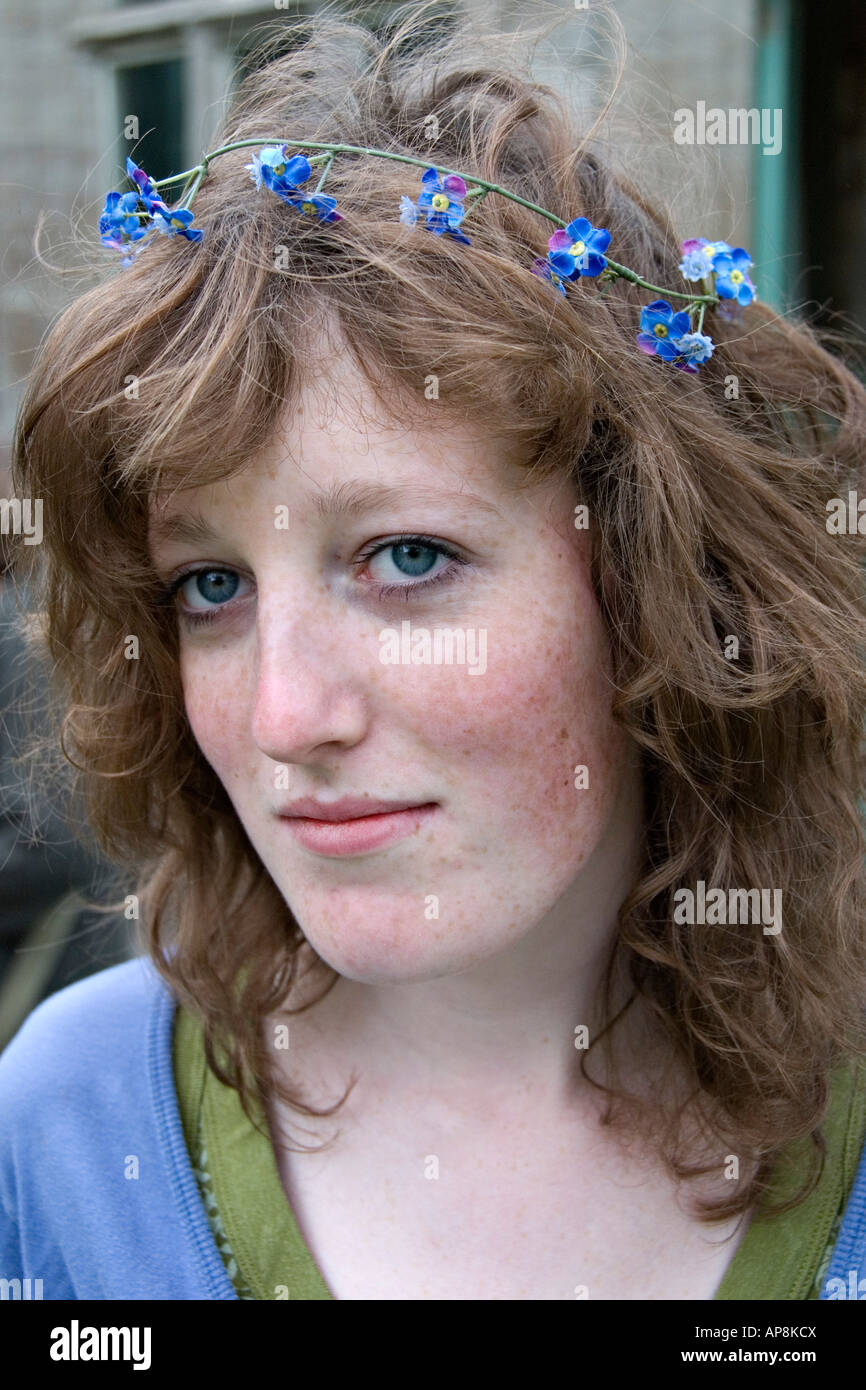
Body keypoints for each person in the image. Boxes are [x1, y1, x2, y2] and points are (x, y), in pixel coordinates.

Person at [1, 2, 866, 1301]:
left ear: (662, 587)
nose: (287, 713)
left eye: (406, 556)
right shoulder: (67, 1134)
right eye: (212, 583)